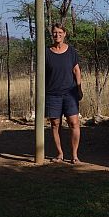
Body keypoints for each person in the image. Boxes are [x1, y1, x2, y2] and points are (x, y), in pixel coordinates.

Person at [45, 23, 83, 164]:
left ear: (65, 34)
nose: (57, 35)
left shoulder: (71, 51)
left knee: (74, 123)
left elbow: (76, 70)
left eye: (60, 32)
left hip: (70, 93)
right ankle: (60, 154)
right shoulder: (46, 52)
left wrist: (79, 89)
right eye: (55, 32)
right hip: (52, 94)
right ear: (52, 34)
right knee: (55, 124)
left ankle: (74, 155)